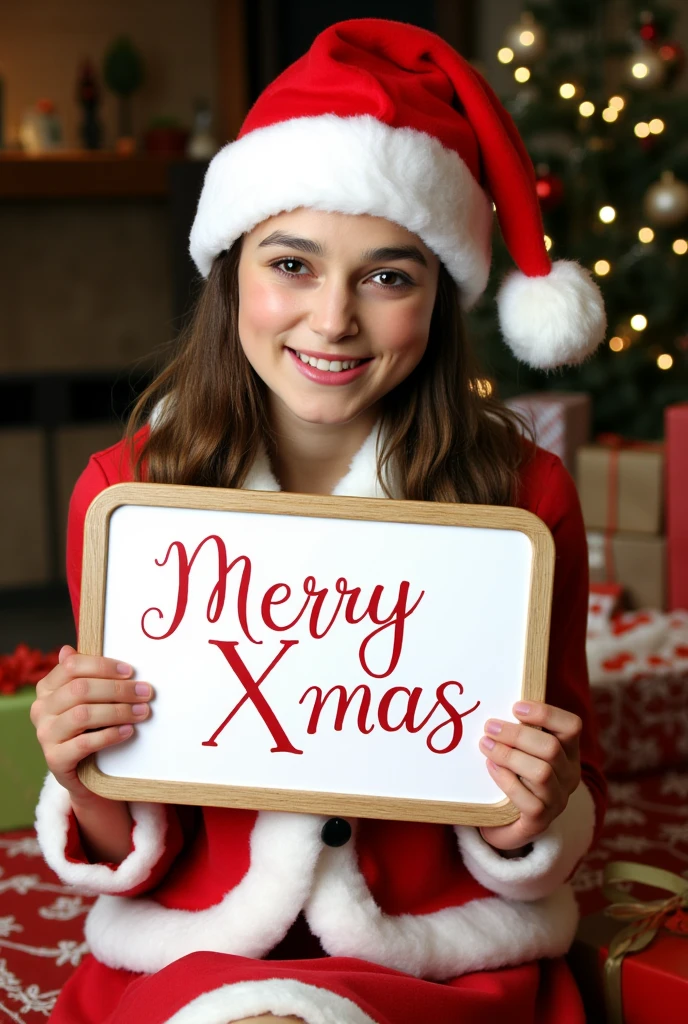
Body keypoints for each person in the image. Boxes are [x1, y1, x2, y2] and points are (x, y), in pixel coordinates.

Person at [31, 18, 608, 1024]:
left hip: (438, 946)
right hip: (194, 944)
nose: (333, 319)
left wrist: (535, 802)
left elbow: (556, 796)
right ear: (231, 270)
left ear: (439, 297)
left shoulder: (523, 497)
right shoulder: (128, 496)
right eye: (291, 265)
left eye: (388, 275)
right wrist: (82, 774)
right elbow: (127, 828)